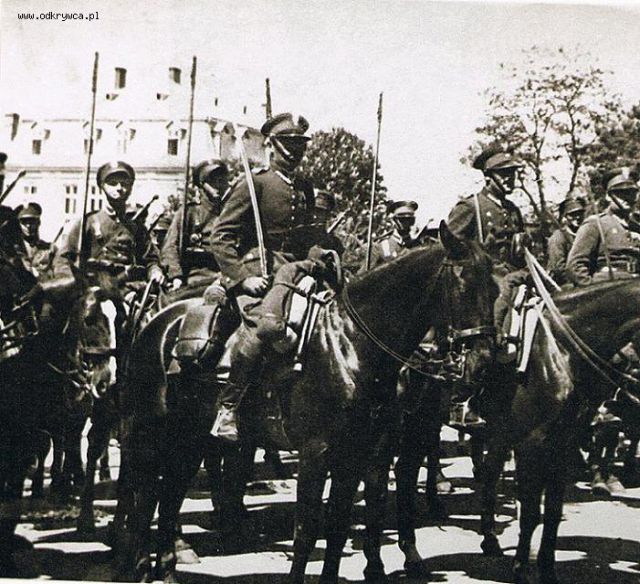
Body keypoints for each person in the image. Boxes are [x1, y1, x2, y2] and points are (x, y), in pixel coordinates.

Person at [209, 112, 324, 441]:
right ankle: (228, 407)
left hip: (294, 272)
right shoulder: (255, 183)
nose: (296, 150)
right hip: (257, 272)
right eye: (288, 143)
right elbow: (221, 236)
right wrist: (241, 278)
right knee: (264, 326)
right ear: (272, 145)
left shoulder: (304, 187)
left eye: (300, 144)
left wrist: (319, 255)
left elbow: (305, 235)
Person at [53, 161, 163, 372]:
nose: (120, 188)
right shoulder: (87, 222)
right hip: (93, 286)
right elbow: (64, 258)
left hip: (127, 288)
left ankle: (135, 372)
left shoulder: (136, 227)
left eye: (125, 183)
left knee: (147, 324)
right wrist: (75, 283)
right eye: (113, 183)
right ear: (102, 186)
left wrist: (155, 271)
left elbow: (150, 258)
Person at [447, 145, 527, 425]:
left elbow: (518, 252)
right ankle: (463, 398)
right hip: (484, 281)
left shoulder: (513, 211)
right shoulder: (471, 207)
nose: (510, 179)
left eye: (513, 173)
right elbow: (449, 249)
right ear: (488, 177)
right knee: (491, 330)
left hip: (515, 275)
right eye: (504, 174)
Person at [162, 160, 229, 292]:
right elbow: (170, 247)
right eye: (212, 180)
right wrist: (176, 276)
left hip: (229, 276)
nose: (218, 185)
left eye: (221, 180)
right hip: (197, 277)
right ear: (201, 184)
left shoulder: (234, 211)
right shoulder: (189, 213)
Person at [567, 167, 640, 285]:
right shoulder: (596, 224)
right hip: (609, 288)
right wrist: (592, 290)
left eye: (631, 192)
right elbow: (575, 266)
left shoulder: (636, 226)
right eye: (620, 193)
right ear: (608, 196)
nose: (627, 197)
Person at [546, 196, 587, 286]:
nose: (577, 217)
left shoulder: (586, 233)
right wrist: (579, 280)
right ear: (565, 216)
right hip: (564, 283)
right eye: (572, 214)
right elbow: (558, 268)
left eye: (580, 213)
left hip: (585, 278)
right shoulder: (558, 237)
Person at [369, 200, 420, 268]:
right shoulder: (381, 246)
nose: (406, 223)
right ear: (393, 221)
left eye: (410, 220)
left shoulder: (418, 245)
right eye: (402, 219)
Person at [16, 202, 52, 279]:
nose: (28, 226)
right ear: (19, 225)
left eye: (32, 222)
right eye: (24, 222)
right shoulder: (14, 250)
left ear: (38, 223)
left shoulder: (49, 249)